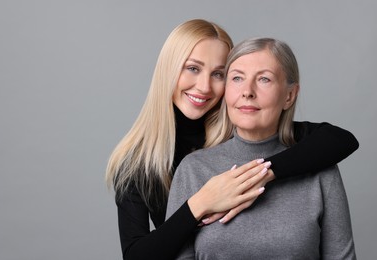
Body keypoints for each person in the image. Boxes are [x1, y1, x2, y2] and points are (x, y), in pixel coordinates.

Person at [106, 19, 358, 260]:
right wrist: (200, 203)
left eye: (218, 74)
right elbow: (137, 255)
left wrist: (265, 172)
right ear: (168, 71)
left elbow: (339, 140)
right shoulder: (140, 163)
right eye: (192, 68)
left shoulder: (246, 124)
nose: (204, 86)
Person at [166, 37, 356, 259]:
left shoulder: (322, 171)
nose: (247, 91)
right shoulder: (194, 169)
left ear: (290, 95)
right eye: (237, 78)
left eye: (264, 79)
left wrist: (265, 173)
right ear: (226, 90)